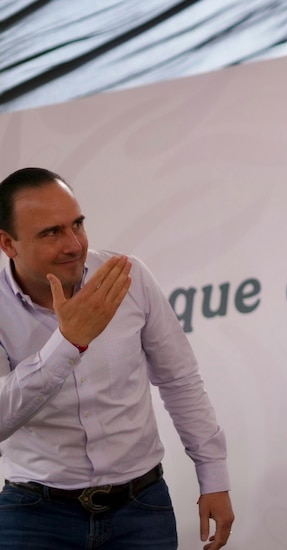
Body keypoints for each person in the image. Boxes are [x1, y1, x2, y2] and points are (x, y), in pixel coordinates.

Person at [0, 167, 234, 549]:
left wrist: (214, 477)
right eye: (51, 233)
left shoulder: (128, 277)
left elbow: (179, 380)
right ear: (8, 243)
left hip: (140, 507)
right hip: (33, 514)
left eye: (77, 224)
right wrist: (68, 343)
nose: (74, 244)